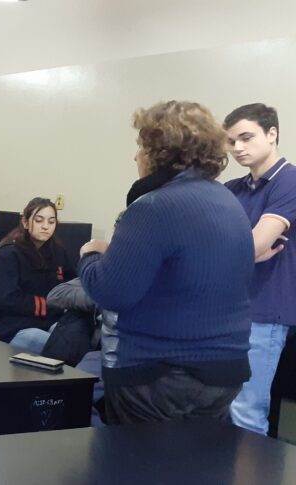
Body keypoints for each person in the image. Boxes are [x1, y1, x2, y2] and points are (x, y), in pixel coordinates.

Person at [78, 100, 254, 425]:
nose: (135, 156)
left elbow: (111, 292)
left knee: (138, 457)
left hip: (159, 375)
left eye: (140, 146)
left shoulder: (153, 207)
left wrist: (90, 255)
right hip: (224, 374)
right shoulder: (228, 202)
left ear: (158, 151)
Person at [223, 103, 296, 435]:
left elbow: (257, 243)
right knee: (220, 407)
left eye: (246, 137)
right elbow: (206, 249)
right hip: (228, 309)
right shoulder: (232, 189)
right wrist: (244, 253)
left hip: (265, 311)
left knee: (246, 412)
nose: (237, 147)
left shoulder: (289, 180)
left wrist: (241, 251)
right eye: (231, 141)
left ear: (272, 134)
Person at [0, 198, 78, 346]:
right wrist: (50, 306)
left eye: (51, 222)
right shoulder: (9, 253)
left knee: (78, 336)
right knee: (63, 345)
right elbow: (7, 298)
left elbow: (72, 282)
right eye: (39, 220)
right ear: (25, 223)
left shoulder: (58, 252)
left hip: (51, 320)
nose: (46, 226)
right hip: (17, 325)